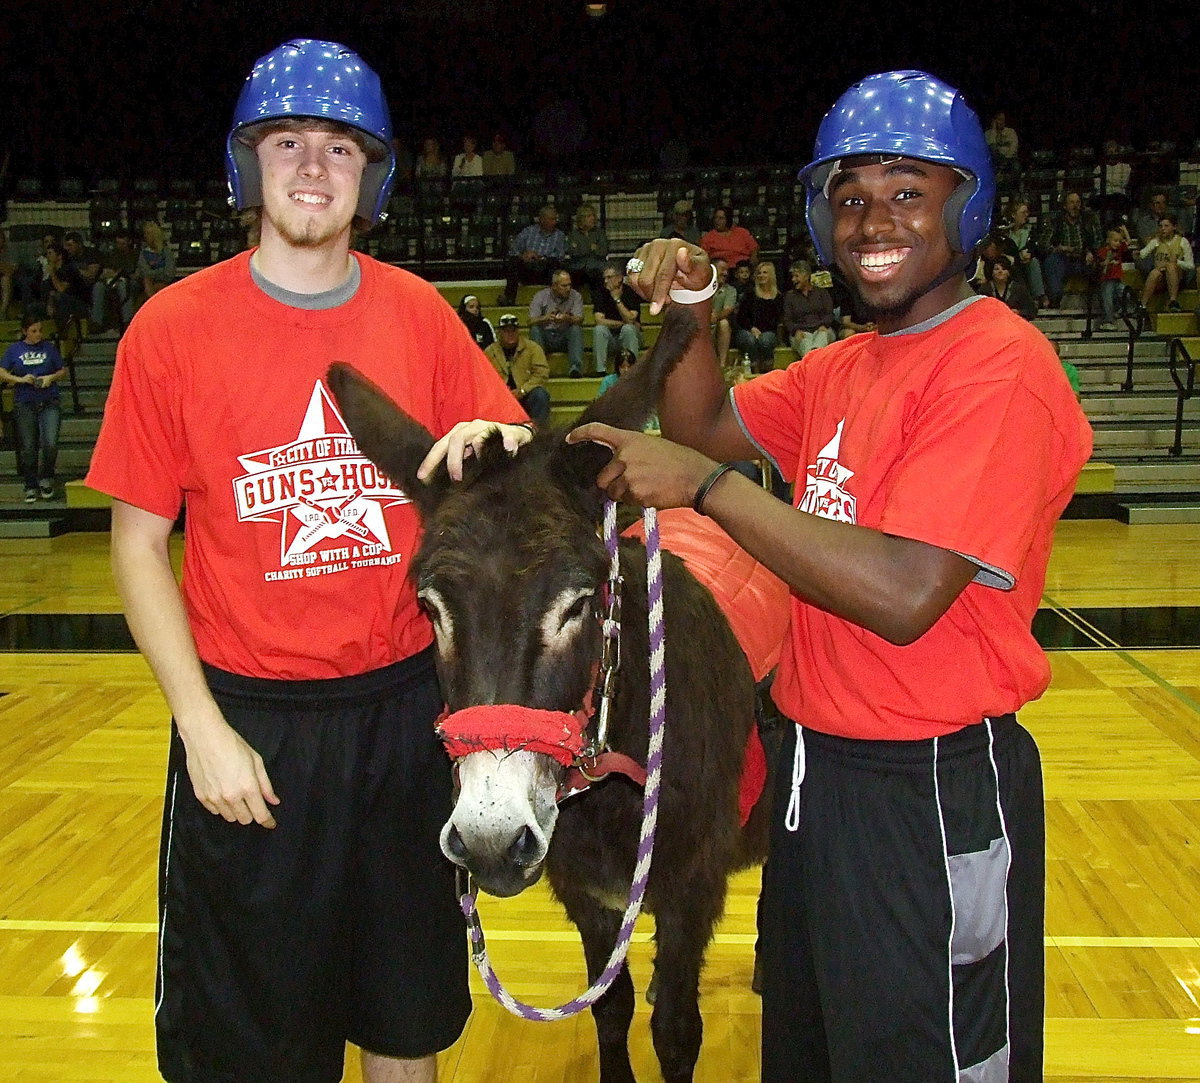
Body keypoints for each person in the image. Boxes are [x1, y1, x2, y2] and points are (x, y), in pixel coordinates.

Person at [569, 69, 1091, 1082]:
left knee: (926, 1058)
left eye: (908, 191)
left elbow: (903, 594)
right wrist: (691, 307)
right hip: (818, 779)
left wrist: (710, 489)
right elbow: (700, 423)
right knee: (812, 1052)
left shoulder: (999, 364)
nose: (872, 221)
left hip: (930, 792)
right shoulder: (848, 365)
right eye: (850, 198)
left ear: (966, 204)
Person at [84, 38, 532, 1083]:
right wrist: (201, 728)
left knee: (406, 1017)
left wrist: (493, 454)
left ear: (372, 176)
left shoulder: (419, 315)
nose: (315, 167)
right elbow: (137, 544)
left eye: (341, 146)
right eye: (288, 142)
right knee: (250, 1046)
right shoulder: (171, 329)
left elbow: (512, 465)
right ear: (248, 166)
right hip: (253, 733)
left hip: (406, 722)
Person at [0, 315, 65, 502]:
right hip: (25, 401)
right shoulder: (15, 350)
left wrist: (50, 378)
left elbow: (61, 370)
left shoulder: (49, 348)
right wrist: (20, 379)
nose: (38, 334)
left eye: (40, 330)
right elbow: (2, 371)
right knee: (28, 447)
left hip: (49, 400)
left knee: (50, 442)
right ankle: (30, 484)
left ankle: (46, 477)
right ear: (25, 332)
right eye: (33, 331)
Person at [484, 313, 551, 424]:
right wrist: (502, 391)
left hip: (526, 394)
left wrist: (522, 390)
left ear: (518, 331)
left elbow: (541, 373)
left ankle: (539, 431)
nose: (510, 334)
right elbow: (484, 377)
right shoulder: (490, 352)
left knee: (541, 395)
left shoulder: (533, 348)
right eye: (506, 331)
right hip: (501, 395)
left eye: (513, 330)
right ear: (499, 333)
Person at [1038, 191, 1101, 308]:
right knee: (1052, 261)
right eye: (1071, 202)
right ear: (1064, 206)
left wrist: (1091, 252)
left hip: (1083, 259)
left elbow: (1098, 242)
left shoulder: (1089, 220)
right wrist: (1059, 248)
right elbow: (1043, 244)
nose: (1075, 206)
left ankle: (1098, 304)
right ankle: (1055, 299)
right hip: (1062, 258)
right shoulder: (1055, 221)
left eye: (1078, 202)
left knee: (1099, 264)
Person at [499, 204, 567, 306]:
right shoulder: (528, 231)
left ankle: (554, 301)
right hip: (528, 269)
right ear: (542, 219)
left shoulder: (559, 235)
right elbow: (513, 250)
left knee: (554, 264)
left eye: (555, 219)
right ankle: (509, 299)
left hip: (546, 270)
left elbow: (560, 256)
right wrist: (524, 255)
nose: (555, 222)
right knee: (513, 262)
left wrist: (541, 257)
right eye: (552, 219)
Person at [528, 268, 585, 375]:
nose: (568, 288)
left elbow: (580, 319)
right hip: (546, 336)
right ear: (554, 286)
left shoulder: (576, 296)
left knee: (576, 329)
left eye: (569, 285)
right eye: (564, 286)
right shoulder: (540, 296)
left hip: (565, 335)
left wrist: (566, 318)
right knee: (535, 330)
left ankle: (575, 368)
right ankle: (540, 369)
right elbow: (530, 321)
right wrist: (546, 318)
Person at [592, 261, 642, 373]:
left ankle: (632, 370)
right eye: (604, 278)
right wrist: (622, 323)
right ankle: (600, 370)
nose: (605, 281)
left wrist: (617, 300)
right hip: (610, 338)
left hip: (631, 336)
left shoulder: (630, 292)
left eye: (609, 277)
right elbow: (599, 320)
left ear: (619, 277)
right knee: (599, 330)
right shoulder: (600, 293)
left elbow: (630, 319)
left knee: (628, 329)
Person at [733, 260, 783, 373]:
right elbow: (741, 317)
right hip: (746, 330)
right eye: (759, 273)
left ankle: (767, 371)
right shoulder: (750, 293)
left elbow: (777, 320)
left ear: (771, 275)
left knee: (765, 340)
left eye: (765, 272)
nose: (761, 275)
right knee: (750, 340)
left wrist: (761, 331)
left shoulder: (778, 297)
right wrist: (752, 328)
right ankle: (755, 371)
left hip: (768, 332)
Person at [1138, 215, 1193, 312]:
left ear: (1174, 227)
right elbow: (1143, 254)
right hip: (1161, 278)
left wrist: (1177, 262)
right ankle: (1142, 305)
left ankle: (1173, 301)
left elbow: (1190, 266)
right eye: (1161, 226)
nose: (1163, 229)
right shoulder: (1156, 241)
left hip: (1177, 276)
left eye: (1166, 226)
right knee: (1155, 273)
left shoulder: (1183, 242)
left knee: (1171, 266)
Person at [781, 261, 836, 358]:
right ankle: (815, 366)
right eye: (793, 277)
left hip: (821, 328)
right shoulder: (790, 296)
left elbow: (829, 314)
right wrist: (795, 330)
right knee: (805, 342)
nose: (793, 279)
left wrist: (824, 325)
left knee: (822, 336)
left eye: (796, 276)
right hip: (801, 331)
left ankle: (812, 365)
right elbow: (787, 319)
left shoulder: (821, 293)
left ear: (806, 276)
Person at [565, 202, 609, 299]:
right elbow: (573, 252)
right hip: (578, 267)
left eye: (593, 216)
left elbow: (603, 251)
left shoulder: (600, 233)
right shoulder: (573, 234)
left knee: (597, 277)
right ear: (582, 218)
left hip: (596, 267)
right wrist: (591, 247)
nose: (593, 218)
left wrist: (583, 247)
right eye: (589, 216)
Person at [981, 255, 1038, 320]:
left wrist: (1019, 312)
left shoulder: (1019, 289)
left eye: (1004, 269)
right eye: (996, 269)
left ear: (1009, 272)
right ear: (991, 272)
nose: (1000, 271)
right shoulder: (984, 289)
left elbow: (1032, 310)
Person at [1096, 227, 1131, 328]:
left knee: (1126, 294)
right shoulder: (1103, 251)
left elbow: (1128, 242)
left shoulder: (1119, 249)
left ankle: (1118, 310)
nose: (1117, 243)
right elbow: (1100, 264)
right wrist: (1107, 261)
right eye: (1115, 241)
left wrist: (1125, 231)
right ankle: (1107, 320)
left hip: (1117, 279)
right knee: (1108, 299)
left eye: (1119, 241)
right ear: (1108, 240)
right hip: (1107, 280)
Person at [136, 221, 176, 304]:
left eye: (148, 234)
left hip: (164, 284)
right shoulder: (143, 253)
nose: (145, 236)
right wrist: (161, 271)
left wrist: (153, 274)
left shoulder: (166, 252)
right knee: (148, 282)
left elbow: (169, 273)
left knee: (159, 287)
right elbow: (144, 272)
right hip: (147, 284)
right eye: (145, 234)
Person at [709, 258, 739, 366]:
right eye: (722, 269)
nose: (725, 273)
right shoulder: (701, 288)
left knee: (724, 323)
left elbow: (728, 309)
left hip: (718, 327)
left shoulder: (730, 290)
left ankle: (722, 366)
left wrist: (714, 317)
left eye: (727, 270)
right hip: (702, 323)